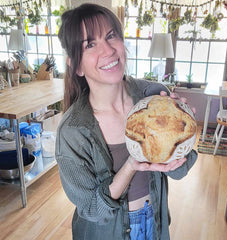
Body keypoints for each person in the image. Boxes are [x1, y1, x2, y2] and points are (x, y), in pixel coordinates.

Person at [55, 3, 198, 240]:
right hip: (105, 233)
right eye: (90, 44)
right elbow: (91, 209)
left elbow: (178, 171)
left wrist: (185, 129)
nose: (109, 50)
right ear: (76, 65)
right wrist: (132, 165)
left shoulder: (154, 96)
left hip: (155, 222)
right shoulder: (73, 131)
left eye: (111, 36)